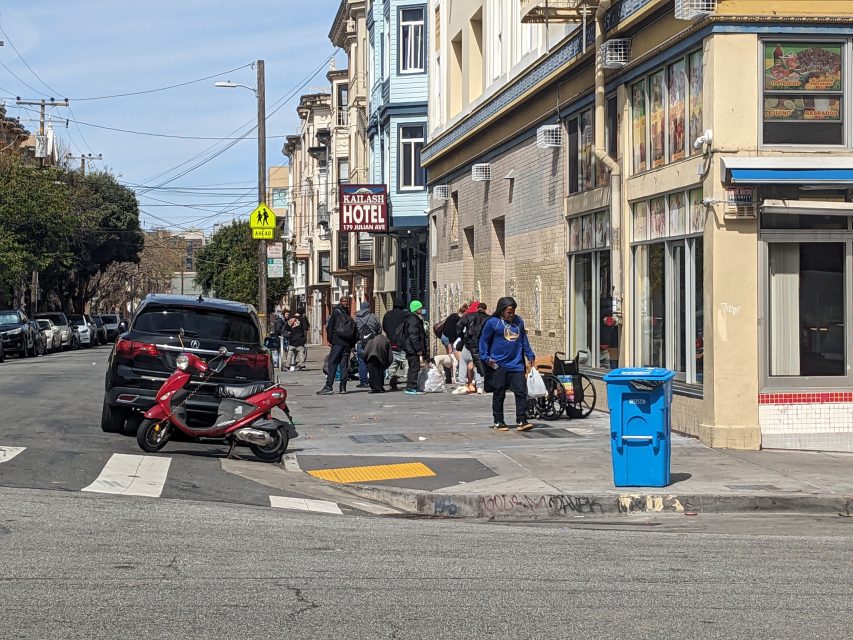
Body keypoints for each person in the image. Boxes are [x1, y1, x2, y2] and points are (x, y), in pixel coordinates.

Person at [479, 296, 535, 432]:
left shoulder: (518, 321)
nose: (511, 315)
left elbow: (523, 339)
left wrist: (529, 354)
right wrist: (486, 358)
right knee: (499, 392)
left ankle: (522, 419)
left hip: (516, 364)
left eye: (513, 312)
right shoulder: (493, 323)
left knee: (521, 391)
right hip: (499, 364)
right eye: (509, 312)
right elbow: (484, 341)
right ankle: (498, 421)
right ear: (502, 310)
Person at [317, 296, 357, 395]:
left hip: (337, 342)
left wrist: (330, 340)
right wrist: (351, 343)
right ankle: (343, 387)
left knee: (333, 363)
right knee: (344, 365)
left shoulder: (336, 312)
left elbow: (329, 327)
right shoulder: (347, 313)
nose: (346, 303)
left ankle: (328, 386)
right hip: (346, 343)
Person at [455, 302, 489, 394]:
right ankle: (480, 386)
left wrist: (462, 336)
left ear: (477, 308)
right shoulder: (488, 318)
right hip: (480, 344)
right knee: (478, 364)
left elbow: (459, 325)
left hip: (468, 343)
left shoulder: (468, 316)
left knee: (463, 361)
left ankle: (461, 384)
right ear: (485, 309)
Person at [397, 300, 427, 395]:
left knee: (412, 367)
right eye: (420, 308)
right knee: (414, 368)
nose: (421, 310)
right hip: (412, 348)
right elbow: (413, 336)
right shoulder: (413, 320)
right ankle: (412, 387)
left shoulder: (412, 318)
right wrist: (418, 349)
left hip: (410, 348)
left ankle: (410, 386)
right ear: (416, 309)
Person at [382, 296, 408, 391]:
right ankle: (409, 383)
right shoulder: (405, 315)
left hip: (391, 343)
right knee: (407, 363)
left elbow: (384, 328)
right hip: (403, 344)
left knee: (392, 365)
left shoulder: (387, 315)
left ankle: (392, 382)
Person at [355, 301, 381, 388]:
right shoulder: (374, 317)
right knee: (373, 362)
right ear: (369, 307)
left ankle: (363, 381)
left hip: (360, 342)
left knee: (362, 363)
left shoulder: (357, 318)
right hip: (372, 343)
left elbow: (354, 330)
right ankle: (373, 380)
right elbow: (379, 329)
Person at [441, 304, 468, 383]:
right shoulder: (457, 319)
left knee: (450, 357)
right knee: (451, 357)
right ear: (464, 312)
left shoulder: (453, 315)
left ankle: (449, 377)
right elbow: (450, 332)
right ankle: (451, 377)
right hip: (448, 338)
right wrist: (450, 345)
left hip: (445, 336)